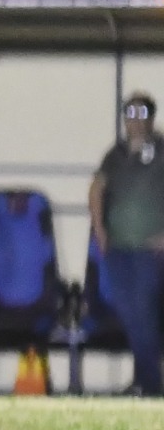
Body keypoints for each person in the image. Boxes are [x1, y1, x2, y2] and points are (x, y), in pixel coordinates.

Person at [91, 92, 164, 398]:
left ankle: (149, 385)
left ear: (150, 117)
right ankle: (144, 382)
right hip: (118, 250)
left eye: (140, 113)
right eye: (129, 114)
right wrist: (99, 229)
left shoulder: (162, 149)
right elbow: (97, 188)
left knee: (146, 314)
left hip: (150, 251)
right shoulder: (115, 154)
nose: (133, 120)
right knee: (131, 315)